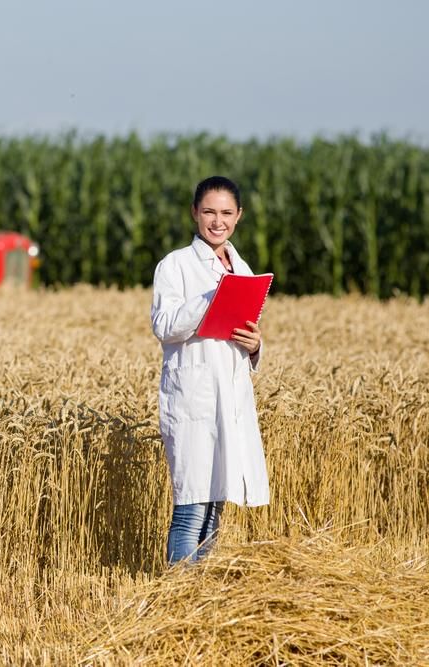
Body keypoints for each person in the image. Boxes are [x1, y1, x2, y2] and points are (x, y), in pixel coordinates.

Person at [150, 175, 268, 565]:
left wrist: (255, 347)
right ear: (194, 214)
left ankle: (201, 599)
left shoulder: (244, 268)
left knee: (217, 509)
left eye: (226, 213)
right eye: (209, 212)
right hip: (194, 402)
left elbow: (243, 336)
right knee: (191, 510)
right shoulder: (176, 265)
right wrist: (209, 299)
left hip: (229, 401)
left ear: (239, 216)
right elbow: (164, 326)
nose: (218, 221)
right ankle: (178, 600)